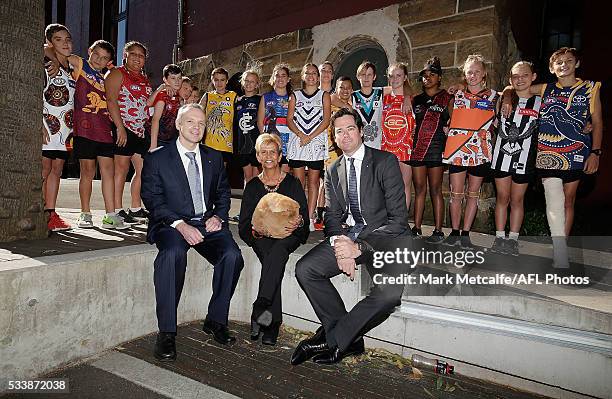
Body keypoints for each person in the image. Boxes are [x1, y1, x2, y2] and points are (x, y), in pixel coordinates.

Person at [292, 107, 409, 366]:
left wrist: (359, 248)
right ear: (333, 137)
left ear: (361, 131)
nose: (345, 135)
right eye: (339, 131)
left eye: (350, 129)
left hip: (387, 238)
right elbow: (332, 216)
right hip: (350, 235)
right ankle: (350, 340)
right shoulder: (333, 169)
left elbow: (398, 220)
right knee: (306, 269)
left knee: (389, 294)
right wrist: (339, 244)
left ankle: (335, 339)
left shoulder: (384, 161)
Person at [141, 103, 244, 361]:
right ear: (178, 124)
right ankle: (166, 332)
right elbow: (153, 200)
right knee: (172, 254)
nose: (196, 127)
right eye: (190, 122)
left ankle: (216, 321)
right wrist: (180, 225)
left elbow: (222, 193)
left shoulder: (214, 156)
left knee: (232, 256)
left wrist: (219, 216)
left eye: (201, 123)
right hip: (170, 224)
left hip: (206, 222)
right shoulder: (157, 158)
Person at [503, 48, 602, 267]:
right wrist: (508, 96)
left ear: (576, 63)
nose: (564, 65)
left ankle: (561, 244)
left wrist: (596, 152)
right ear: (551, 68)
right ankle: (559, 253)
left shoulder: (590, 89)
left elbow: (598, 123)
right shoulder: (546, 88)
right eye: (559, 62)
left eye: (568, 61)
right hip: (548, 153)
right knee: (554, 198)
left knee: (569, 200)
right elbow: (517, 86)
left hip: (577, 152)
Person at [46, 39, 127, 229]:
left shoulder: (107, 78)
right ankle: (85, 213)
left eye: (104, 58)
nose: (99, 60)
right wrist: (57, 61)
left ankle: (110, 214)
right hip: (83, 130)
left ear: (109, 61)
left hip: (104, 131)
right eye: (96, 54)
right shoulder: (81, 64)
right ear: (90, 51)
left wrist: (119, 126)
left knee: (109, 171)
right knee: (87, 172)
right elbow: (53, 50)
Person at [238, 134, 309, 345]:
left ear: (279, 156)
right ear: (258, 157)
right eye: (264, 152)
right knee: (272, 256)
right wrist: (257, 233)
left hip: (288, 235)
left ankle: (262, 310)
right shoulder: (252, 187)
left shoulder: (293, 183)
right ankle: (271, 321)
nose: (268, 156)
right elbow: (243, 226)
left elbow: (303, 216)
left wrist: (299, 223)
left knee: (277, 251)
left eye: (273, 152)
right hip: (262, 238)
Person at [442, 54, 498, 248]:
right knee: (455, 193)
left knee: (473, 193)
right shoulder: (456, 95)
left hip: (480, 151)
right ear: (464, 75)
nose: (473, 75)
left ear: (484, 74)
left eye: (476, 72)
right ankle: (455, 232)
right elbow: (450, 117)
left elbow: (497, 120)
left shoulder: (494, 96)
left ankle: (466, 234)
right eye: (469, 72)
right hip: (457, 150)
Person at [490, 62, 541, 256]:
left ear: (533, 77)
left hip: (525, 159)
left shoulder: (539, 102)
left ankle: (513, 240)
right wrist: (507, 95)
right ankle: (499, 237)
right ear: (511, 79)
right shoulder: (503, 98)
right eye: (516, 76)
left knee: (517, 200)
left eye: (524, 75)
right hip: (501, 157)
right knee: (502, 198)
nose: (520, 79)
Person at [105, 41, 152, 224]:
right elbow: (111, 100)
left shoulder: (144, 78)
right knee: (121, 169)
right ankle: (117, 209)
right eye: (134, 54)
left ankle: (135, 208)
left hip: (140, 131)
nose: (137, 58)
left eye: (141, 56)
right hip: (123, 128)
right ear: (125, 55)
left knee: (142, 169)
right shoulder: (117, 73)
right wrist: (120, 128)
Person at [410, 57, 453, 243]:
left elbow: (455, 122)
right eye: (425, 75)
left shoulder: (447, 98)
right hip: (418, 151)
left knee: (436, 190)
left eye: (432, 74)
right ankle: (416, 228)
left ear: (439, 77)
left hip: (436, 150)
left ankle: (438, 230)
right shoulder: (415, 100)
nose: (428, 78)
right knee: (419, 189)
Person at [287, 63, 331, 231]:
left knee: (313, 183)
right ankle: (299, 216)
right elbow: (289, 119)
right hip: (298, 142)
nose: (311, 76)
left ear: (318, 77)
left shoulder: (324, 95)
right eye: (308, 73)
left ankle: (310, 217)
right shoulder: (295, 95)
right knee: (298, 183)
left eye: (314, 73)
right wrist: (300, 135)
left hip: (316, 143)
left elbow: (326, 120)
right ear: (303, 76)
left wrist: (310, 137)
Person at [42, 24, 74, 232]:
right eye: (58, 39)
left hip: (65, 131)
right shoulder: (47, 66)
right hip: (47, 126)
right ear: (50, 43)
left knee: (57, 170)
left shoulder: (71, 69)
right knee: (43, 170)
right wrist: (39, 125)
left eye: (68, 39)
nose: (65, 43)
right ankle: (39, 210)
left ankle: (51, 213)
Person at [314, 76, 353, 230]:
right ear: (336, 88)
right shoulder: (329, 100)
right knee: (326, 181)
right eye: (341, 87)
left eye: (347, 88)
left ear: (351, 90)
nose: (344, 90)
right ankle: (320, 214)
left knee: (342, 181)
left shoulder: (351, 107)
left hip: (343, 147)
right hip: (328, 146)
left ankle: (338, 214)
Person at [382, 63, 415, 221]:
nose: (395, 79)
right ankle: (388, 219)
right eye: (391, 75)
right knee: (387, 186)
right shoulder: (384, 96)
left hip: (405, 146)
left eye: (399, 75)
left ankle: (401, 220)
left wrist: (407, 96)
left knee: (404, 185)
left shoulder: (412, 98)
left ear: (405, 77)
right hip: (387, 146)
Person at [258, 63, 292, 172]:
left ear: (288, 79)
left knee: (284, 174)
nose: (280, 78)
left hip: (288, 141)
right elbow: (260, 122)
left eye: (283, 75)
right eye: (277, 75)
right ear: (273, 78)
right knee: (269, 172)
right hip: (271, 142)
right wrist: (265, 141)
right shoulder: (266, 97)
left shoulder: (293, 98)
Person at [200, 67, 237, 166]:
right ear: (212, 81)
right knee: (209, 171)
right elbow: (198, 113)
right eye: (216, 80)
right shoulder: (207, 96)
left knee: (221, 173)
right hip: (209, 143)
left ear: (227, 81)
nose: (219, 83)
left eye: (222, 80)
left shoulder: (234, 96)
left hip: (226, 143)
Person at [235, 65, 262, 186]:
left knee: (257, 178)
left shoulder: (261, 99)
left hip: (256, 143)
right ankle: (247, 203)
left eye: (252, 82)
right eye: (246, 80)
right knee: (247, 177)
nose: (249, 84)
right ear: (242, 82)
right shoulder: (238, 101)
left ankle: (256, 203)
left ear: (257, 84)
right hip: (243, 145)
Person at [146, 64, 183, 150]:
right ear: (165, 80)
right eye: (173, 78)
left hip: (170, 138)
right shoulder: (163, 95)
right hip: (157, 138)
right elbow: (155, 119)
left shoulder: (178, 96)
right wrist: (153, 145)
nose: (177, 81)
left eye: (179, 78)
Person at [352, 61, 384, 149]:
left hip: (379, 146)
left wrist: (407, 98)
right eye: (363, 74)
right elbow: (333, 98)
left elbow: (400, 88)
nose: (366, 77)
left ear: (374, 77)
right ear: (358, 76)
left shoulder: (381, 92)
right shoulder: (353, 96)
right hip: (360, 146)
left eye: (369, 74)